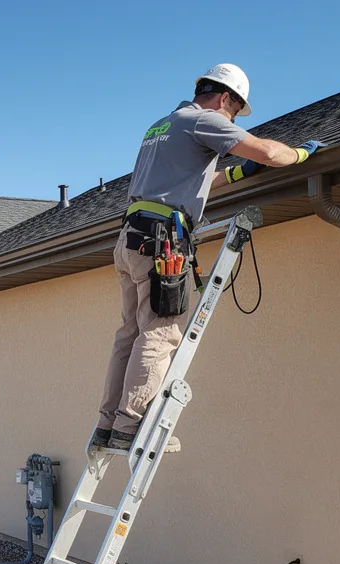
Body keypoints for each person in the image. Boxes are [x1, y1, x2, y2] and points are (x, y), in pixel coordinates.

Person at [93, 63, 324, 451]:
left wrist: (236, 174)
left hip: (131, 238)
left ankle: (108, 424)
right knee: (161, 332)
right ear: (224, 98)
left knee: (130, 333)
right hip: (161, 242)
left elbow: (191, 180)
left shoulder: (162, 126)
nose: (232, 119)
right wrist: (301, 153)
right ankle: (131, 425)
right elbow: (267, 151)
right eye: (234, 112)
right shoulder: (204, 120)